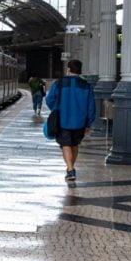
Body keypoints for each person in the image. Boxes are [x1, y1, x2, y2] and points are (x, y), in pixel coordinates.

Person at [44, 59, 95, 187]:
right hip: (80, 122)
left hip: (63, 120)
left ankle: (70, 169)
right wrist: (89, 122)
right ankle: (71, 168)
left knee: (66, 144)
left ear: (68, 69)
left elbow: (49, 99)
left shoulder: (59, 83)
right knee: (75, 144)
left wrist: (56, 109)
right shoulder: (86, 85)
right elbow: (91, 106)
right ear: (80, 70)